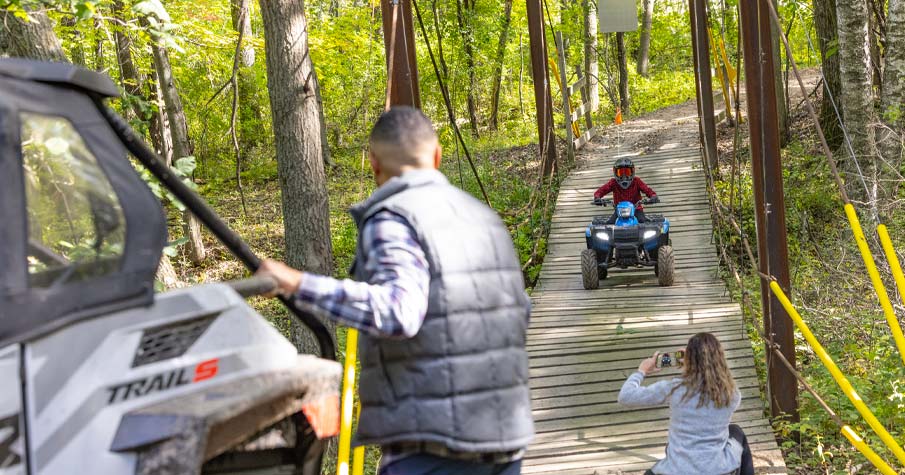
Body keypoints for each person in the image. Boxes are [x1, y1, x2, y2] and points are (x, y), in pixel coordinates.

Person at [257, 106, 534, 475]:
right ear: (437, 155)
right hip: (505, 441)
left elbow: (398, 311)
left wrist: (297, 283)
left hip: (432, 447)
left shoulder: (393, 219)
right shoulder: (485, 218)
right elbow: (519, 312)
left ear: (374, 163)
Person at [617, 332, 754, 475]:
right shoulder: (732, 394)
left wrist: (642, 371)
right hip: (718, 469)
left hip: (680, 470)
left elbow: (625, 397)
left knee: (668, 450)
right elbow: (713, 382)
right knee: (735, 431)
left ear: (689, 358)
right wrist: (696, 366)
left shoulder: (675, 388)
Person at [593, 157, 658, 223]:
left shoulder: (637, 181)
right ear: (615, 173)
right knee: (610, 223)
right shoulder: (613, 183)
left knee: (643, 221)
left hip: (636, 209)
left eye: (627, 172)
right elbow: (602, 190)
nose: (624, 176)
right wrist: (597, 197)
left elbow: (647, 190)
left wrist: (653, 196)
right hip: (619, 210)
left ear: (632, 171)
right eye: (620, 173)